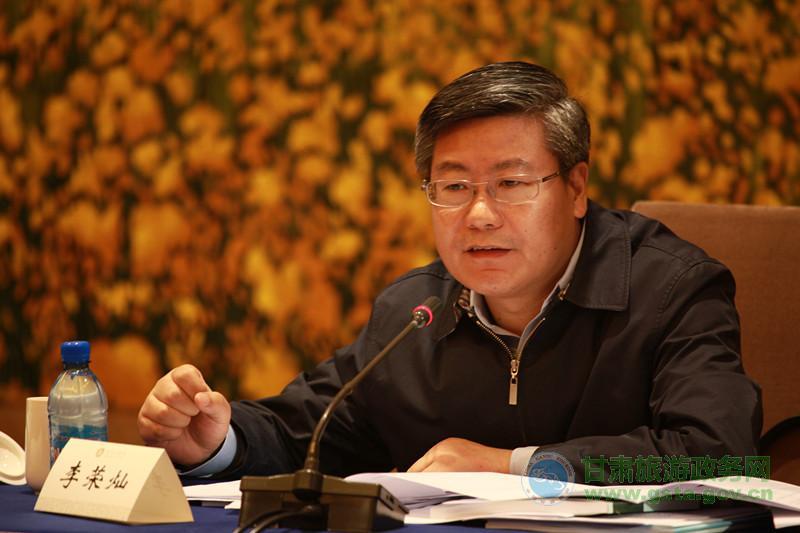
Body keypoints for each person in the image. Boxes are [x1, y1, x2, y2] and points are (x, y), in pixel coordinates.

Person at [137, 61, 761, 483]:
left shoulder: (672, 290)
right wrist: (217, 442)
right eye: (455, 186)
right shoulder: (414, 312)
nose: (480, 214)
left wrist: (513, 466)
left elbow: (719, 454)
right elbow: (314, 432)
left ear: (576, 188)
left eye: (511, 183)